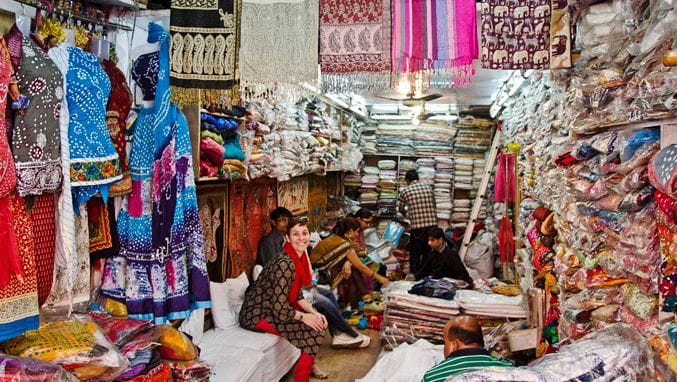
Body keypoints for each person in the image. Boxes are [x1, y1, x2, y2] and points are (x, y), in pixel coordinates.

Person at [239, 218, 328, 381]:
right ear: (287, 238)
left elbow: (297, 295)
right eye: (296, 234)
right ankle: (302, 376)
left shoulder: (298, 257)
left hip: (273, 308)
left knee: (317, 322)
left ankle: (308, 364)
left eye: (304, 233)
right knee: (313, 330)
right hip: (257, 314)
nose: (302, 238)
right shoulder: (285, 263)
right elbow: (280, 307)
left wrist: (313, 312)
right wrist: (304, 317)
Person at [310, 217, 390, 309]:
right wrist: (380, 278)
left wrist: (348, 262)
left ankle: (359, 303)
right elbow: (360, 266)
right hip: (319, 275)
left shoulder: (338, 238)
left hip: (322, 269)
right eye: (356, 231)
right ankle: (362, 301)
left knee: (354, 273)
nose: (357, 234)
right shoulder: (344, 243)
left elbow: (354, 255)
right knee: (356, 271)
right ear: (350, 231)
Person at [421, 316, 512, 382]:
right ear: (482, 342)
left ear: (454, 345)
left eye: (445, 343)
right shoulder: (508, 369)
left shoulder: (432, 377)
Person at [399, 170, 437, 275]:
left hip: (417, 227)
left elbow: (401, 209)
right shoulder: (429, 188)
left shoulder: (405, 191)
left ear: (407, 180)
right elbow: (434, 205)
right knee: (428, 251)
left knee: (415, 252)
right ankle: (426, 273)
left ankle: (415, 275)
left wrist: (407, 213)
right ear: (417, 178)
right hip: (432, 226)